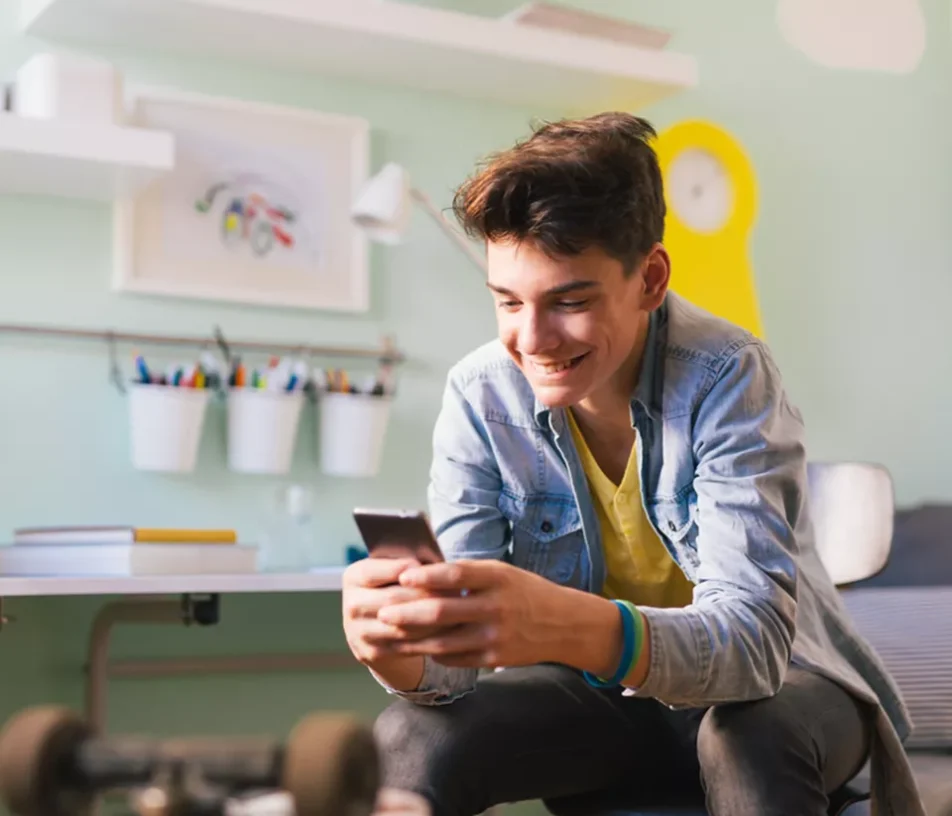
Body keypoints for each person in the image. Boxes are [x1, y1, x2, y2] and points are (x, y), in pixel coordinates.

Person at [341, 113, 923, 816]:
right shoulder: (479, 394)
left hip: (784, 693)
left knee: (747, 737)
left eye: (571, 301)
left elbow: (753, 649)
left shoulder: (726, 374)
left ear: (650, 278)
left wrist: (564, 624)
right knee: (412, 733)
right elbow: (453, 665)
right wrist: (398, 651)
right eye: (507, 302)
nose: (532, 340)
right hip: (610, 703)